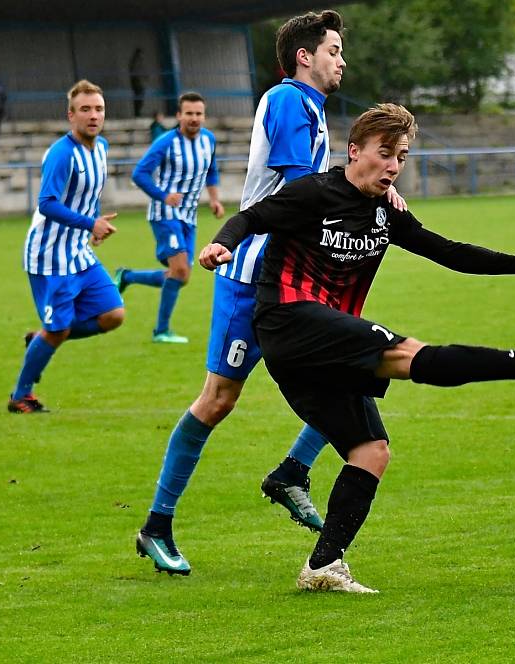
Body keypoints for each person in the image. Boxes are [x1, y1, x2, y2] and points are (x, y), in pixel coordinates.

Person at [199, 103, 515, 592]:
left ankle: (322, 567)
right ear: (354, 151)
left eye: (401, 156)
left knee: (371, 451)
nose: (394, 166)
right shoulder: (315, 193)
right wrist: (218, 244)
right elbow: (251, 218)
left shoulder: (386, 212)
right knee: (406, 355)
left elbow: (447, 252)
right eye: (385, 154)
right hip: (289, 320)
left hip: (319, 350)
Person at [134, 10, 400, 576]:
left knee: (358, 374)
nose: (341, 59)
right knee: (218, 400)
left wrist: (375, 188)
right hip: (252, 274)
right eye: (332, 49)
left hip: (297, 279)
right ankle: (156, 525)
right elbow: (305, 189)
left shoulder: (311, 110)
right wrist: (368, 187)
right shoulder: (286, 101)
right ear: (305, 57)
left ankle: (291, 472)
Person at [7, 80, 124, 414]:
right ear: (70, 115)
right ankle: (20, 395)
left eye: (98, 109)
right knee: (58, 329)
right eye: (85, 109)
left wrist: (93, 224)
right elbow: (46, 203)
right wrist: (90, 223)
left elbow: (81, 199)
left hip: (78, 251)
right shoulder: (61, 153)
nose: (93, 115)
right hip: (49, 257)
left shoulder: (101, 148)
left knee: (113, 314)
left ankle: (42, 339)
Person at [115, 92, 224, 344]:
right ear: (179, 116)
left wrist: (215, 199)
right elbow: (139, 173)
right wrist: (163, 196)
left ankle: (127, 276)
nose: (194, 118)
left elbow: (212, 171)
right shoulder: (166, 142)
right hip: (165, 214)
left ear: (204, 116)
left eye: (198, 113)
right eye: (189, 113)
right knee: (180, 270)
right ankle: (161, 331)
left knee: (181, 276)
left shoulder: (208, 140)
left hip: (189, 217)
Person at [129, 48, 147, 118]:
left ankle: (138, 113)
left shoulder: (138, 61)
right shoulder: (136, 62)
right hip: (137, 83)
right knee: (138, 98)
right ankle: (137, 113)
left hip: (139, 83)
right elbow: (135, 72)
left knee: (139, 98)